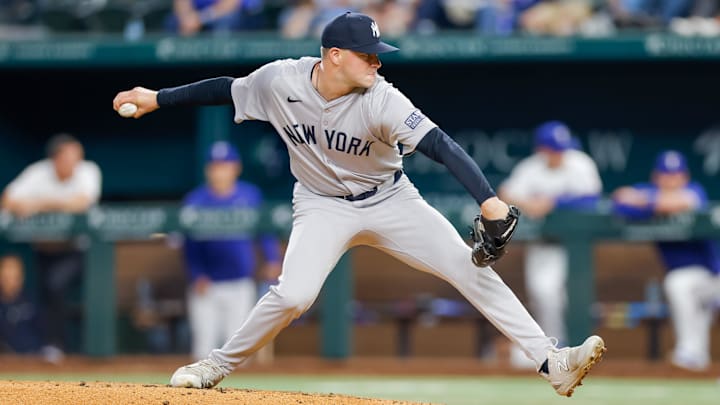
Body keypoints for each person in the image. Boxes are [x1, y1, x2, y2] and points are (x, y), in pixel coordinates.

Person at [113, 11, 605, 397]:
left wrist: (490, 200)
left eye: (377, 54)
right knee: (292, 296)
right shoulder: (279, 81)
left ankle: (551, 362)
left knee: (467, 267)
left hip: (391, 199)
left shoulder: (382, 98)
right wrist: (158, 96)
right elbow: (225, 89)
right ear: (332, 56)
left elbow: (441, 145)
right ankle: (215, 365)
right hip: (321, 205)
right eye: (367, 55)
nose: (377, 62)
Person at [498, 121, 602, 368]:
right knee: (543, 292)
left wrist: (553, 202)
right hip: (544, 243)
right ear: (542, 149)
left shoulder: (580, 162)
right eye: (553, 149)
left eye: (561, 149)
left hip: (577, 245)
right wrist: (527, 202)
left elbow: (592, 199)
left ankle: (573, 347)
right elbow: (505, 192)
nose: (558, 154)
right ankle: (552, 348)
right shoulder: (531, 168)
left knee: (571, 296)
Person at [612, 150, 720, 372]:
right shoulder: (651, 192)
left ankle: (692, 354)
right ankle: (693, 358)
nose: (671, 180)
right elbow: (620, 199)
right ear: (656, 177)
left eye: (676, 175)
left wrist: (646, 203)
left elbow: (682, 202)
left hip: (714, 273)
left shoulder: (695, 191)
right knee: (682, 286)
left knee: (680, 284)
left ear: (685, 177)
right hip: (697, 279)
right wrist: (651, 201)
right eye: (666, 175)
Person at [0, 133, 102, 357]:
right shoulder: (38, 172)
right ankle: (45, 347)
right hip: (43, 250)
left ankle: (60, 345)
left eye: (77, 157)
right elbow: (7, 200)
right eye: (69, 158)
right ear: (55, 159)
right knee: (38, 289)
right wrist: (36, 204)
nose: (75, 163)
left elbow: (83, 202)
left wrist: (38, 204)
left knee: (55, 284)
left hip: (79, 251)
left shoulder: (88, 170)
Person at [182, 140, 282, 361]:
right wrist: (196, 274)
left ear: (236, 167)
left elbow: (265, 231)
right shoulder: (195, 201)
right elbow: (188, 245)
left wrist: (272, 259)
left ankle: (233, 397)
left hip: (240, 282)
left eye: (225, 165)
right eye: (215, 166)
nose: (220, 171)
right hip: (206, 286)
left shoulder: (250, 195)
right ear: (208, 170)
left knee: (237, 352)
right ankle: (198, 397)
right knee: (203, 349)